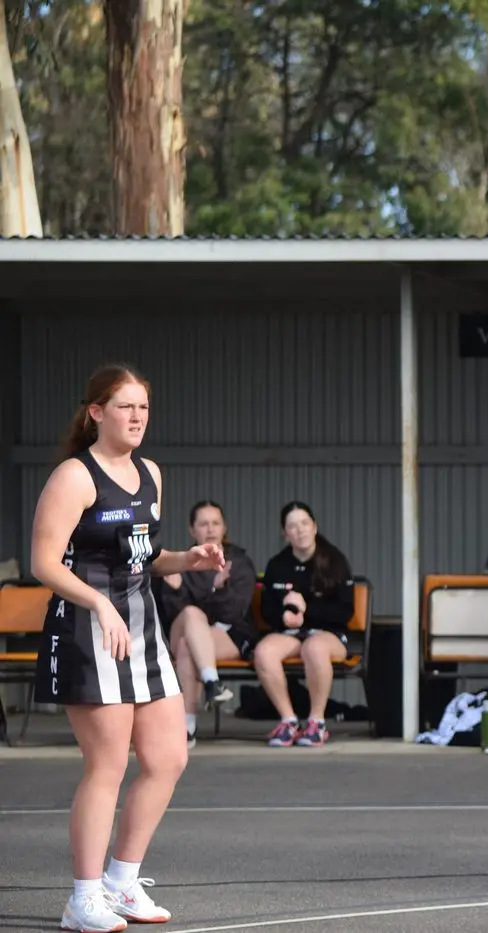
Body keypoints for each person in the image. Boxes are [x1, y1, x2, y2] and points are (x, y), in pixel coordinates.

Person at [31, 364, 226, 932]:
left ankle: (121, 882)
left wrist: (188, 559)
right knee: (108, 765)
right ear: (96, 412)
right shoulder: (74, 477)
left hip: (141, 630)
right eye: (125, 406)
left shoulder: (150, 474)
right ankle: (83, 898)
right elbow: (44, 563)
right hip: (88, 629)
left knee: (169, 759)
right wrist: (98, 602)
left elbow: (145, 556)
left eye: (143, 406)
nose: (137, 416)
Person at [253, 501, 355, 748]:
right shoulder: (277, 565)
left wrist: (308, 610)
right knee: (264, 651)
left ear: (314, 527)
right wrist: (283, 617)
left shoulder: (335, 561)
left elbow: (345, 612)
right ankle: (288, 721)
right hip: (291, 634)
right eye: (292, 526)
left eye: (304, 523)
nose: (300, 530)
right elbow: (267, 610)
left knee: (314, 647)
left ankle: (316, 723)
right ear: (285, 533)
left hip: (329, 634)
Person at [159, 499, 258, 747]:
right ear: (192, 530)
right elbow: (170, 614)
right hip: (183, 628)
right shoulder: (182, 561)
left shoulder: (239, 562)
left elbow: (235, 614)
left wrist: (220, 589)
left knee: (187, 646)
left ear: (224, 527)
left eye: (216, 523)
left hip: (227, 634)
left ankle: (188, 726)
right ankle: (212, 682)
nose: (211, 529)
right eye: (203, 524)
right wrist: (174, 590)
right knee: (191, 616)